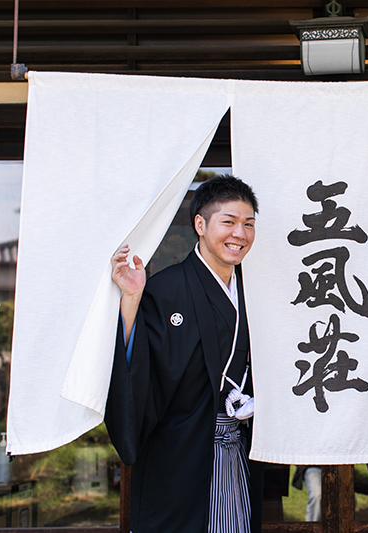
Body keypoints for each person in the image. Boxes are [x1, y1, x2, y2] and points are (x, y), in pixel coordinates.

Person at [105, 175, 264, 533]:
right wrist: (131, 300)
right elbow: (137, 370)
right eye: (228, 222)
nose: (239, 234)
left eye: (248, 224)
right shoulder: (165, 289)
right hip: (178, 456)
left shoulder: (254, 292)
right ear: (200, 225)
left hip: (236, 451)